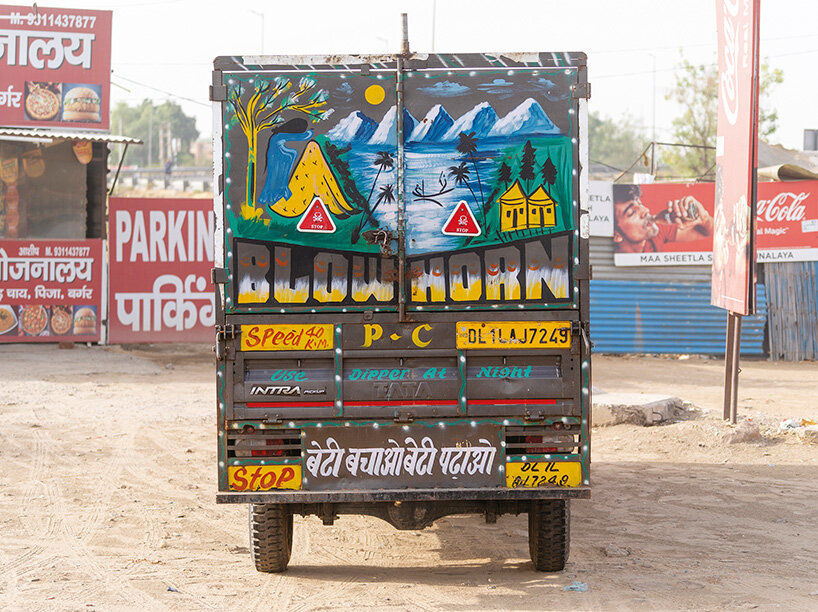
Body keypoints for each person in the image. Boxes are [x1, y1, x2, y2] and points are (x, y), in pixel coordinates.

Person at [612, 184, 713, 253]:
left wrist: (703, 218)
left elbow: (708, 232)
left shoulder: (656, 231)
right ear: (616, 235)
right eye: (632, 212)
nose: (646, 210)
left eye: (640, 203)